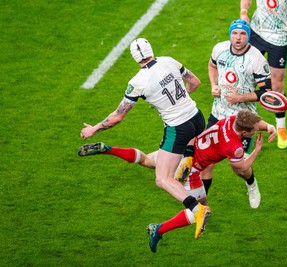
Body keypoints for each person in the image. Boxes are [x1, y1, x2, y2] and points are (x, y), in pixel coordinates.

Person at [78, 109, 277, 252]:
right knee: (200, 212)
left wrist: (268, 127)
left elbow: (253, 121)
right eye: (251, 132)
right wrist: (257, 150)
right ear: (244, 133)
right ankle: (158, 229)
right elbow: (241, 167)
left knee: (147, 160)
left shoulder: (232, 119)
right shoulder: (234, 146)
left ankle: (109, 149)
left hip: (179, 152)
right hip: (192, 170)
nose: (254, 133)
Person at [79, 38, 210, 239]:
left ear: (134, 57)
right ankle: (188, 157)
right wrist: (183, 97)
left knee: (162, 178)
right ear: (151, 49)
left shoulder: (136, 83)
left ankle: (197, 209)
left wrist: (95, 128)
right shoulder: (169, 60)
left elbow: (118, 116)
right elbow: (195, 82)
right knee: (153, 160)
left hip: (178, 128)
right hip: (197, 117)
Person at [203, 19, 276, 208]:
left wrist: (240, 97)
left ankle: (251, 185)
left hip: (243, 119)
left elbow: (266, 93)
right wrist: (214, 85)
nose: (238, 38)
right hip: (218, 114)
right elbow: (212, 66)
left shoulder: (257, 59)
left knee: (240, 168)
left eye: (243, 34)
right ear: (230, 34)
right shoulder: (219, 49)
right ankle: (200, 206)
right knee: (206, 162)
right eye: (235, 33)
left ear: (248, 36)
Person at [240, 0, 287, 149]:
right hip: (256, 34)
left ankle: (281, 128)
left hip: (279, 39)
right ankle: (244, 128)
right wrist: (244, 12)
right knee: (245, 80)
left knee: (277, 86)